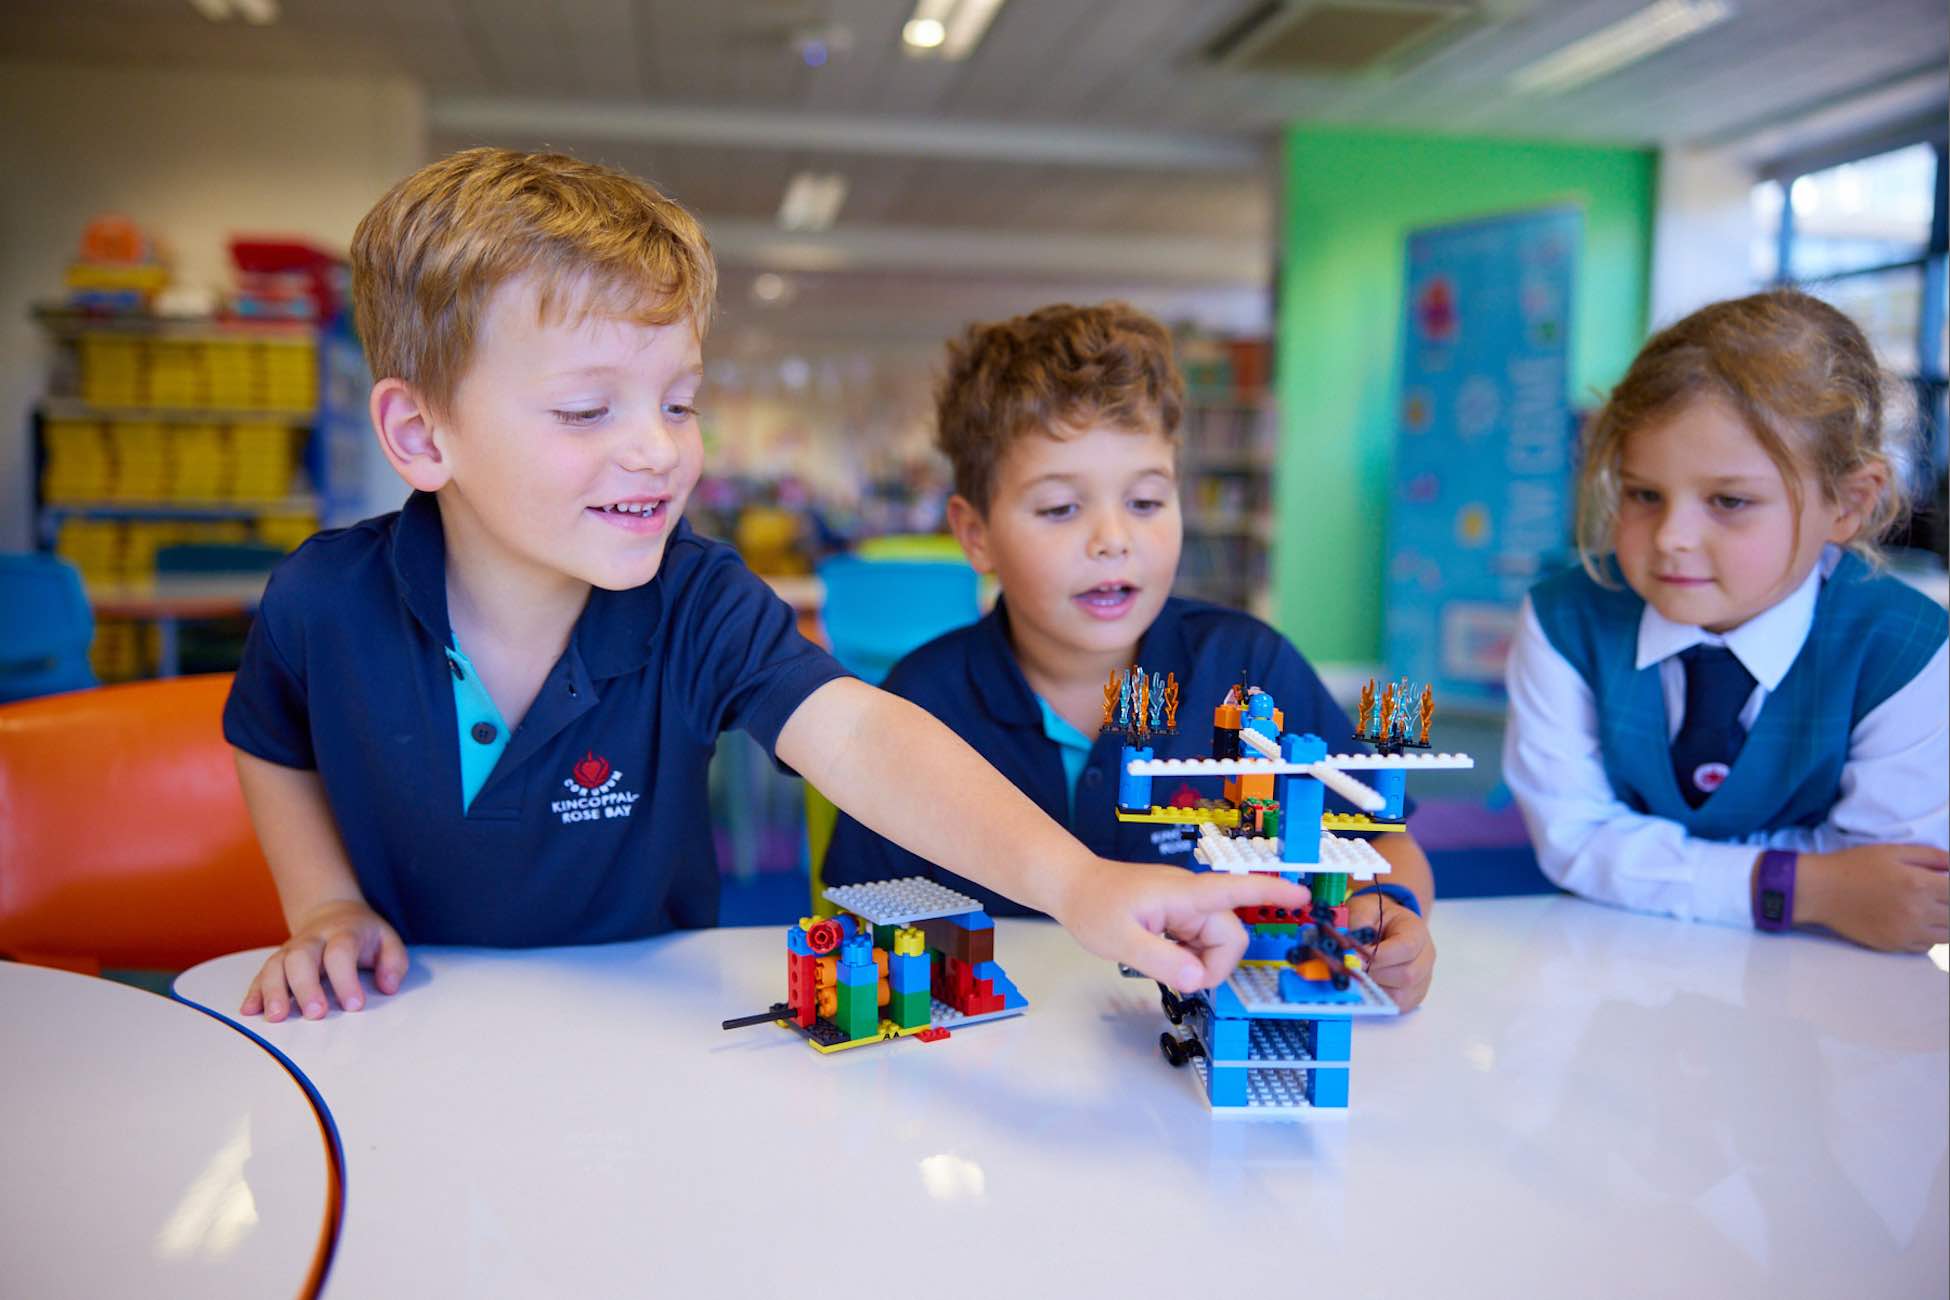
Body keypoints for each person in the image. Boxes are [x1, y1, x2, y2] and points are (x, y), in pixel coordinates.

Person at [223, 150, 1310, 1022]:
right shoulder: (324, 602)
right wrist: (324, 903)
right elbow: (273, 738)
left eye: (679, 402)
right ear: (422, 434)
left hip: (643, 1029)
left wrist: (1078, 883)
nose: (659, 449)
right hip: (404, 1020)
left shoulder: (696, 600)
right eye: (588, 410)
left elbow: (862, 739)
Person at [823, 303, 1439, 1009]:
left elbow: (1386, 843)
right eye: (1060, 509)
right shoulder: (922, 701)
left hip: (1198, 1024)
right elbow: (863, 915)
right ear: (976, 534)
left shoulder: (1248, 668)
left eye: (1146, 501)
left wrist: (1389, 918)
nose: (1113, 539)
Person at [1504, 289, 1949, 952]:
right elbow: (1573, 842)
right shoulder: (1564, 618)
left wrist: (1648, 861)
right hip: (1607, 958)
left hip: (1824, 981)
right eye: (1644, 494)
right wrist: (1807, 886)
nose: (1672, 538)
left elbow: (1895, 884)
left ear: (1850, 503)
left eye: (1730, 501)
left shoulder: (1906, 649)